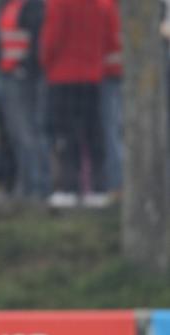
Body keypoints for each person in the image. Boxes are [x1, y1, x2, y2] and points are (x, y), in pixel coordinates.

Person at [40, 0, 111, 208]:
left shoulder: (58, 4)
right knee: (94, 134)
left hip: (62, 77)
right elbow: (110, 39)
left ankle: (68, 188)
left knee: (65, 134)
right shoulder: (102, 5)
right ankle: (97, 189)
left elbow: (50, 41)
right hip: (93, 76)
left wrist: (47, 64)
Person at [0, 0, 49, 200]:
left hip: (23, 76)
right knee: (21, 135)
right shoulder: (11, 5)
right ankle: (27, 185)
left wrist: (26, 67)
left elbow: (37, 40)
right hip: (12, 74)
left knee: (28, 133)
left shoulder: (33, 5)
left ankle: (36, 187)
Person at [100, 0, 122, 196]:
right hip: (116, 74)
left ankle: (117, 184)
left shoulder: (105, 7)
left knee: (110, 131)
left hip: (107, 75)